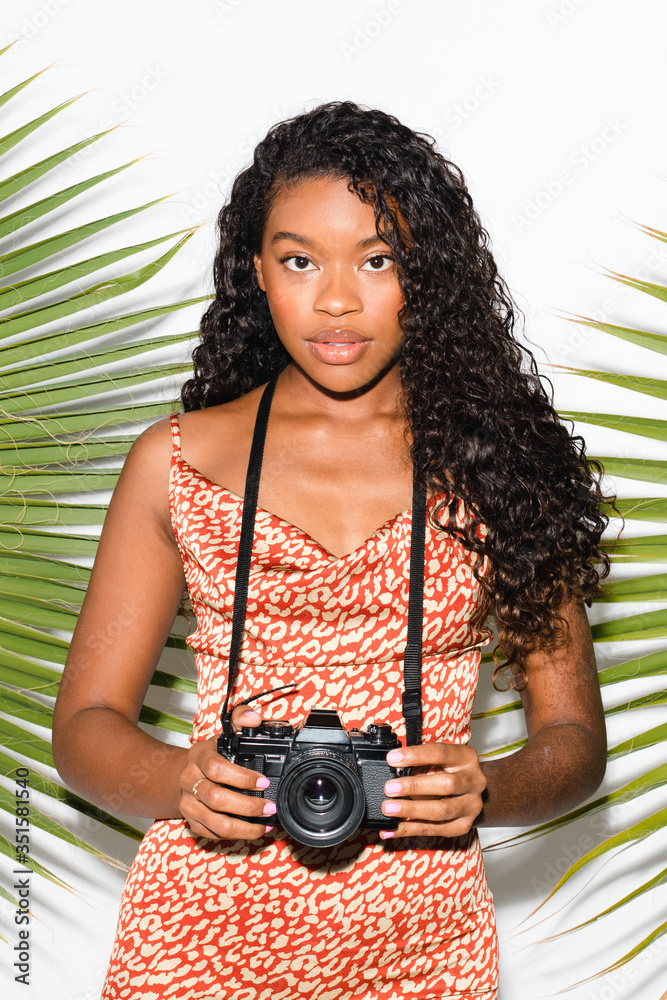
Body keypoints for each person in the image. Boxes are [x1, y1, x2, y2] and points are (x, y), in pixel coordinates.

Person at [52, 101, 614, 1000]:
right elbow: (83, 729)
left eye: (378, 259)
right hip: (197, 935)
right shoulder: (176, 461)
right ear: (257, 273)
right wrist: (180, 776)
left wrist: (485, 788)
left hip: (421, 937)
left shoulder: (499, 468)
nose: (338, 299)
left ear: (425, 275)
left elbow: (573, 742)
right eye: (300, 260)